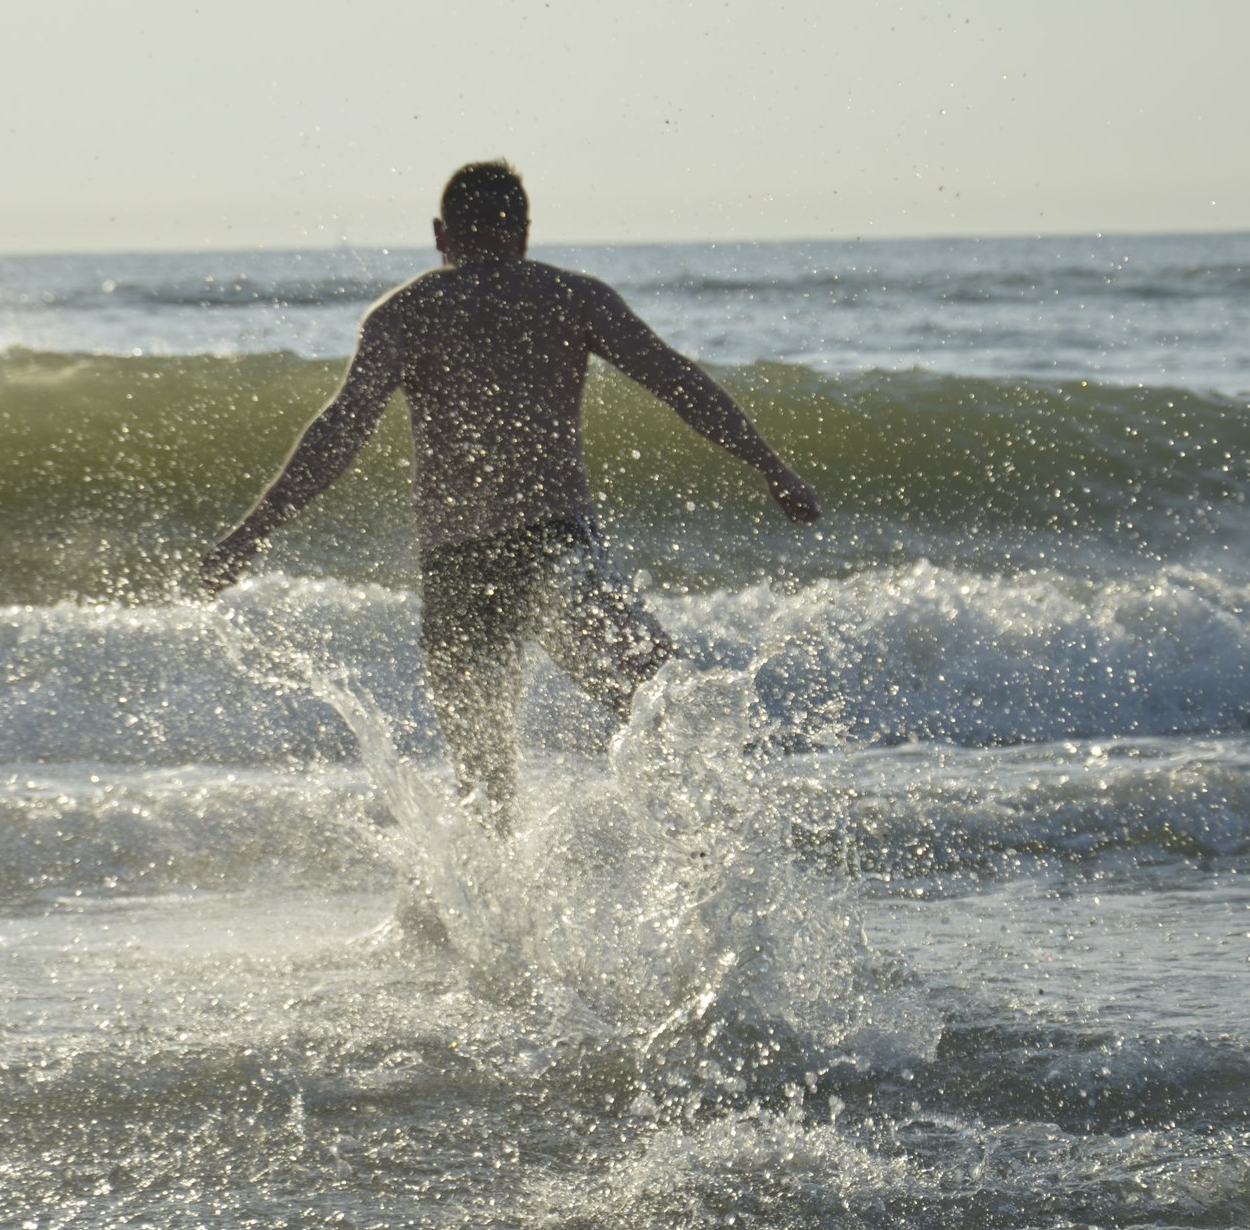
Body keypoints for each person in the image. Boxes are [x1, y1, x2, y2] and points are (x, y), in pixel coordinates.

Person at [197, 160, 820, 823]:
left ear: (442, 234)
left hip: (457, 563)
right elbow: (677, 382)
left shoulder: (404, 314)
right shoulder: (573, 299)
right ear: (523, 234)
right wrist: (771, 466)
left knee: (483, 783)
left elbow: (338, 431)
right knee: (661, 706)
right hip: (553, 547)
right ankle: (711, 855)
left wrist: (251, 531)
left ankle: (492, 922)